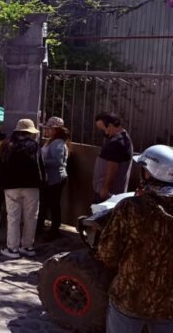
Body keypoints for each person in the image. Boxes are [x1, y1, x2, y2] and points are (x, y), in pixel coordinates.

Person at [96, 144, 173, 333]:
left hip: (129, 299)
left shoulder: (130, 207)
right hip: (168, 305)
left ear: (148, 173)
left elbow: (107, 254)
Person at [0, 119, 45, 259]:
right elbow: (40, 166)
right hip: (32, 187)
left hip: (11, 187)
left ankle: (12, 248)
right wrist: (42, 183)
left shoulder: (7, 145)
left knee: (13, 217)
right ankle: (27, 246)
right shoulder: (34, 146)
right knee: (31, 216)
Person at [37, 117, 69, 240]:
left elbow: (57, 161)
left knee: (53, 204)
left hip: (56, 179)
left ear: (56, 130)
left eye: (49, 129)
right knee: (48, 204)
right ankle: (48, 229)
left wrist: (42, 161)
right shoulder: (51, 141)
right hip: (51, 178)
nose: (47, 131)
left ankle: (54, 230)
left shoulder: (58, 143)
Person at [94, 112, 133, 202]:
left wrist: (105, 189)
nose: (103, 132)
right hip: (109, 192)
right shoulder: (121, 137)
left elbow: (112, 167)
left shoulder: (117, 142)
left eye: (102, 129)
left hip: (107, 193)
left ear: (110, 126)